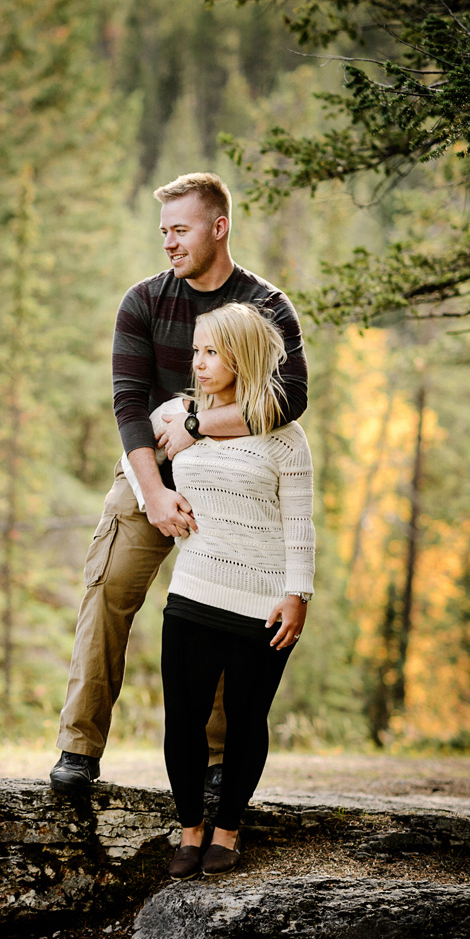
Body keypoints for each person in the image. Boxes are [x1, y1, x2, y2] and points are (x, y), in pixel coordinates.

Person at [49, 172, 309, 794]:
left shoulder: (267, 306)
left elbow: (290, 398)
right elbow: (128, 404)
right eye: (163, 231)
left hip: (232, 479)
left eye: (180, 229)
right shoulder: (143, 302)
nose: (168, 242)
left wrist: (196, 423)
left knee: (222, 606)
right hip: (149, 470)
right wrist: (156, 493)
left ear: (219, 228)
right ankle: (78, 749)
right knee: (108, 584)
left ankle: (218, 765)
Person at [160, 301, 314, 878]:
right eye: (195, 351)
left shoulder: (284, 435)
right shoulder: (180, 417)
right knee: (184, 719)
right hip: (193, 591)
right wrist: (158, 494)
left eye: (212, 352)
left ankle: (227, 831)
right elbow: (137, 461)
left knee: (247, 721)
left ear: (242, 356)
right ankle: (189, 830)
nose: (198, 363)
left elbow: (300, 521)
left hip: (263, 602)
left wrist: (298, 593)